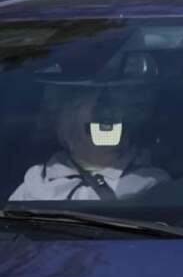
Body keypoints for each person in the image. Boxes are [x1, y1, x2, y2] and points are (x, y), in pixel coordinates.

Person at [9, 85, 169, 201]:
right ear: (68, 124)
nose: (110, 118)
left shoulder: (149, 181)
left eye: (115, 114)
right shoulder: (37, 179)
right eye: (99, 114)